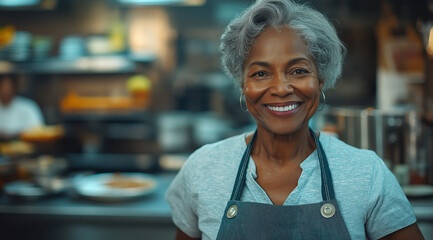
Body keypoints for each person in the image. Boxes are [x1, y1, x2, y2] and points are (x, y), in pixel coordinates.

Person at [166, 0, 424, 239]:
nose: (281, 88)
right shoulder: (203, 169)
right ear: (242, 84)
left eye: (299, 70)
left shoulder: (366, 174)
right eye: (260, 73)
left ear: (320, 80)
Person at [0, 74, 44, 140]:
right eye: (2, 86)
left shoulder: (28, 107)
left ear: (14, 87)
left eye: (8, 86)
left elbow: (38, 132)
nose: (5, 89)